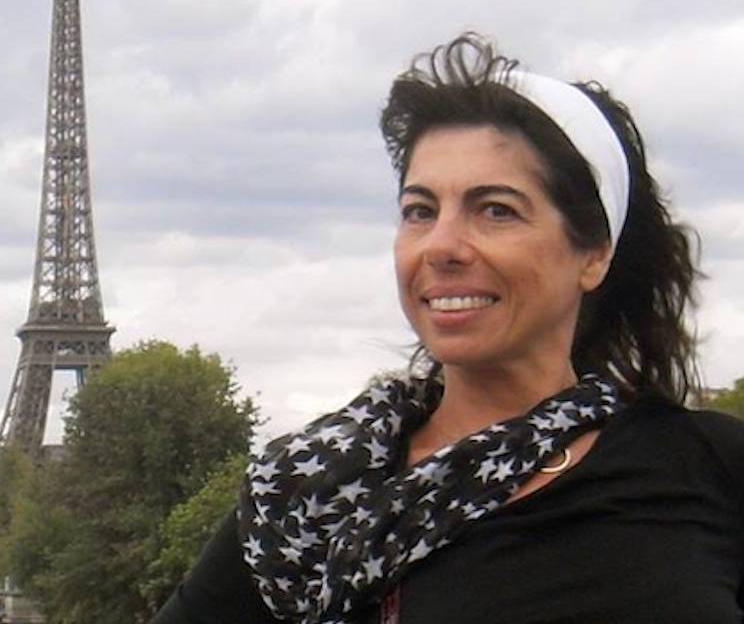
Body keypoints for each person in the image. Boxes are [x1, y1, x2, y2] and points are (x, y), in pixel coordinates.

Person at [152, 34, 744, 624]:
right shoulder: (313, 496)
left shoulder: (709, 466)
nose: (441, 245)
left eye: (496, 210)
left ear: (593, 254)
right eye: (420, 211)